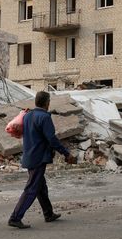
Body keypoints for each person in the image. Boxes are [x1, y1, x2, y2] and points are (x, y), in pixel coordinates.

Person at [8, 91, 76, 229]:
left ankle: (48, 213)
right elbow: (51, 139)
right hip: (38, 158)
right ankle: (15, 217)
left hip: (29, 156)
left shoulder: (27, 116)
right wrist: (66, 153)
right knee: (32, 188)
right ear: (47, 102)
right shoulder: (44, 117)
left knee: (40, 187)